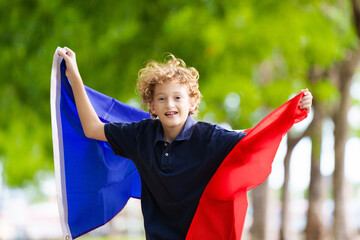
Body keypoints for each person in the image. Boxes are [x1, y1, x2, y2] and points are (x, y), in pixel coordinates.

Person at [57, 46, 313, 240]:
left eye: (178, 97)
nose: (170, 105)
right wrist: (75, 77)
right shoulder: (140, 136)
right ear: (151, 106)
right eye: (162, 99)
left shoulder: (210, 138)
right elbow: (92, 128)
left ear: (192, 102)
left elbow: (252, 141)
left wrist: (291, 113)